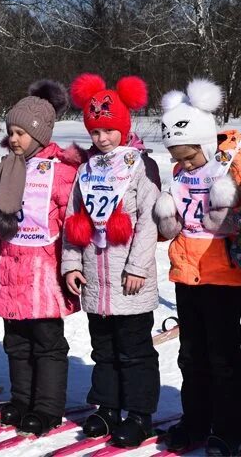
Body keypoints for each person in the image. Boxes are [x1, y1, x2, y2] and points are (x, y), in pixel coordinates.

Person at [0, 81, 81, 435]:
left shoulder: (62, 171)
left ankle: (47, 407)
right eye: (11, 132)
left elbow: (73, 221)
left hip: (44, 272)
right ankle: (22, 400)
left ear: (40, 134)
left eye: (21, 132)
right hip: (9, 268)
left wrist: (73, 265)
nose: (15, 139)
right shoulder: (5, 168)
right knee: (17, 341)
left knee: (47, 342)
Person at [62, 74, 161, 448]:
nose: (102, 139)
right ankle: (107, 407)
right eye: (95, 132)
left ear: (123, 126)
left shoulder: (140, 166)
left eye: (108, 130)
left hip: (128, 278)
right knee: (102, 349)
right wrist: (71, 264)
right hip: (94, 276)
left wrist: (137, 267)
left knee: (134, 350)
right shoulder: (87, 169)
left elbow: (149, 223)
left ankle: (139, 414)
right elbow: (75, 219)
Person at [154, 79, 241, 457]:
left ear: (205, 143)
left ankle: (228, 428)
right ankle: (195, 420)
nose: (184, 164)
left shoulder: (233, 165)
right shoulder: (179, 170)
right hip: (186, 273)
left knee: (224, 357)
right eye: (177, 157)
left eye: (190, 156)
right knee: (191, 355)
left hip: (224, 277)